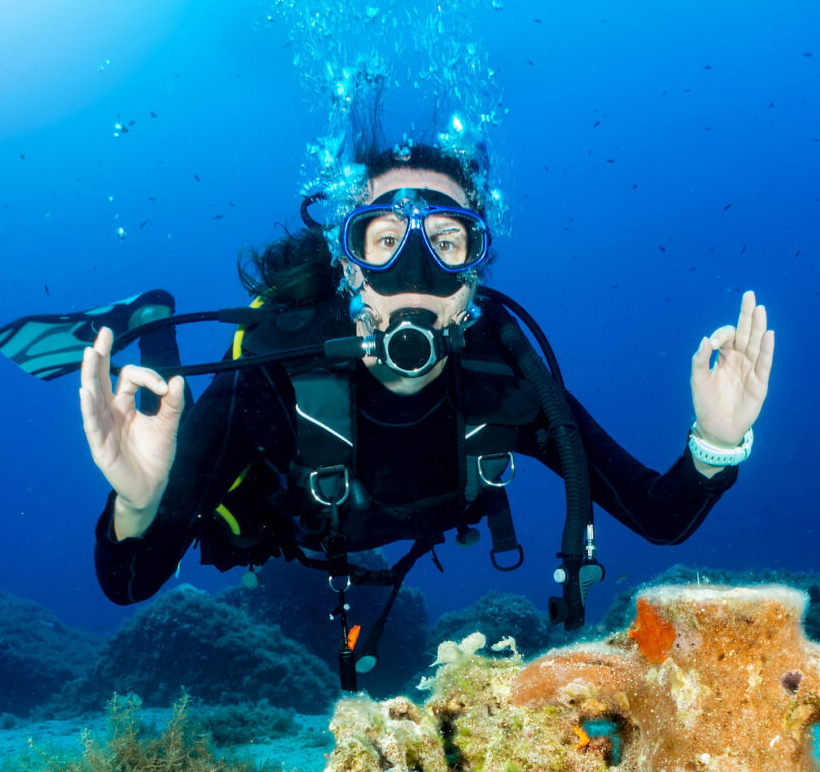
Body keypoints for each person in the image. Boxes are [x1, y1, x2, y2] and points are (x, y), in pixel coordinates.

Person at [74, 140, 775, 688]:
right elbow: (129, 583)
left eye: (446, 242)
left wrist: (718, 442)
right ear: (347, 267)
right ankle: (153, 326)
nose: (415, 271)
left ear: (474, 275)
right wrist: (136, 503)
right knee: (165, 419)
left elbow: (660, 516)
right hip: (284, 522)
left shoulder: (506, 378)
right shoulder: (272, 376)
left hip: (357, 514)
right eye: (383, 241)